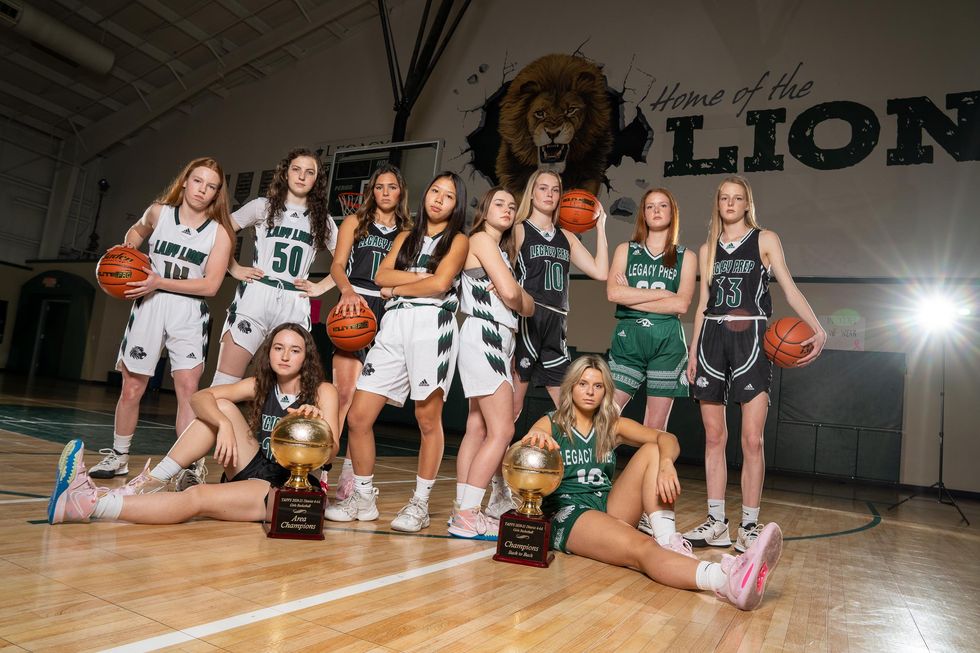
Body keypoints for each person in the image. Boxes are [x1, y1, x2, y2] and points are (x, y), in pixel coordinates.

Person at [522, 355, 783, 611]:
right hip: (570, 512)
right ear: (571, 387)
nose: (590, 392)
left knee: (654, 449)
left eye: (598, 386)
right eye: (583, 384)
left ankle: (669, 541)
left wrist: (667, 463)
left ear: (605, 391)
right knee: (643, 548)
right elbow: (527, 446)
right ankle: (725, 580)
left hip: (606, 504)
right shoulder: (552, 422)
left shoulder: (611, 425)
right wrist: (535, 436)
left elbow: (668, 439)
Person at [48, 324, 340, 525]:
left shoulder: (322, 391)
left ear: (306, 358)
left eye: (295, 350)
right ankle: (151, 482)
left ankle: (88, 505)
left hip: (285, 486)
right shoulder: (260, 384)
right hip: (256, 464)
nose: (285, 356)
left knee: (197, 496)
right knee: (220, 406)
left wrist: (315, 428)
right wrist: (223, 424)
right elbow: (200, 397)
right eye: (278, 348)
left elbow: (332, 453)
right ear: (269, 352)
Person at [683, 175, 826, 552]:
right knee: (714, 436)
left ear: (747, 204)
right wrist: (693, 349)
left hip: (752, 337)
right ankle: (716, 523)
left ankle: (748, 525)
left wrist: (818, 327)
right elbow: (702, 305)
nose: (730, 203)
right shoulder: (707, 248)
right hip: (712, 337)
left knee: (752, 438)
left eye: (737, 198)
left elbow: (789, 288)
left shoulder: (765, 239)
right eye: (724, 198)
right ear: (718, 204)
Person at [325, 172, 468, 532]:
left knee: (427, 420)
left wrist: (402, 285)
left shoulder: (458, 240)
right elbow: (381, 277)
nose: (438, 199)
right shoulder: (406, 236)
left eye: (448, 196)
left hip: (432, 326)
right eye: (435, 190)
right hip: (394, 324)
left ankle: (419, 504)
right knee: (358, 416)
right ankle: (362, 497)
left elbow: (441, 283)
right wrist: (419, 280)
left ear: (457, 205)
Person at [89, 157, 234, 482]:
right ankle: (119, 456)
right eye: (198, 181)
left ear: (217, 194)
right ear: (185, 181)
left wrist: (159, 282)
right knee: (131, 387)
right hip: (149, 307)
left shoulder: (220, 233)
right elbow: (137, 230)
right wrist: (128, 248)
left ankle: (190, 466)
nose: (203, 190)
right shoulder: (159, 212)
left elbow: (211, 286)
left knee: (188, 391)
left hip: (188, 311)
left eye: (211, 186)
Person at [487, 170, 608, 519]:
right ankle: (499, 490)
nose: (550, 194)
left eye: (555, 189)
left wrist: (600, 227)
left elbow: (600, 272)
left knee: (572, 411)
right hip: (528, 320)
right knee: (510, 415)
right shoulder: (519, 229)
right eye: (543, 187)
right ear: (532, 191)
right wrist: (498, 282)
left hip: (557, 325)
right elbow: (493, 259)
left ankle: (577, 488)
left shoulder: (567, 236)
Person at [606, 188, 696, 535]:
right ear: (642, 213)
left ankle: (646, 507)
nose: (656, 211)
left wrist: (633, 297)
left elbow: (682, 304)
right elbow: (613, 293)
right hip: (629, 339)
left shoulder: (685, 256)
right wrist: (661, 295)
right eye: (650, 206)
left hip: (667, 344)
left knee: (654, 430)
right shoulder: (625, 250)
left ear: (672, 213)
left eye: (662, 206)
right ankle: (593, 487)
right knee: (605, 419)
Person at [450, 188, 535, 539]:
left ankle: (461, 509)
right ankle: (468, 514)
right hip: (484, 334)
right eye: (499, 203)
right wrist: (516, 294)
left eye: (512, 206)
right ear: (484, 211)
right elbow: (515, 296)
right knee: (503, 431)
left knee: (477, 428)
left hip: (497, 339)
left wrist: (517, 295)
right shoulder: (482, 239)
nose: (507, 209)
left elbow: (526, 305)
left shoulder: (500, 251)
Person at [214, 147, 336, 388]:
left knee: (286, 389)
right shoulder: (262, 206)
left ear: (317, 179)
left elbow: (347, 261)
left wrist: (322, 287)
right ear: (286, 173)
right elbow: (220, 231)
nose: (302, 176)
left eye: (309, 172)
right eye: (296, 169)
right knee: (224, 382)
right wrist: (233, 267)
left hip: (294, 301)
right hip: (257, 294)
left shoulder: (323, 219)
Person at [327, 164, 412, 501]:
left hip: (389, 311)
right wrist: (347, 291)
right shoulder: (355, 222)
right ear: (371, 191)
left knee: (365, 405)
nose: (386, 192)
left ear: (401, 192)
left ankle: (349, 479)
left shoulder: (408, 231)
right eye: (379, 187)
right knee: (343, 396)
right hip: (355, 307)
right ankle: (321, 471)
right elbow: (337, 265)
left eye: (392, 186)